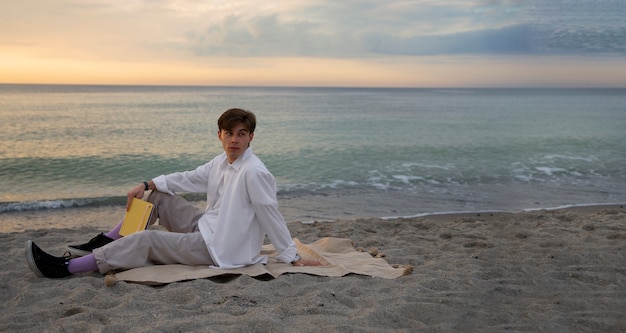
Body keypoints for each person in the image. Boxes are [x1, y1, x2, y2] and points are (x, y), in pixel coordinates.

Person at [26, 108, 321, 279]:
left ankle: (66, 268)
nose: (234, 140)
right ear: (219, 135)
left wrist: (291, 256)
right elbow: (189, 178)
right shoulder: (222, 161)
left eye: (241, 134)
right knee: (155, 196)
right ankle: (109, 240)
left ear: (251, 137)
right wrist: (146, 183)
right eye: (229, 133)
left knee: (147, 239)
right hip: (207, 226)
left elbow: (270, 214)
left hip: (220, 248)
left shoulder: (254, 172)